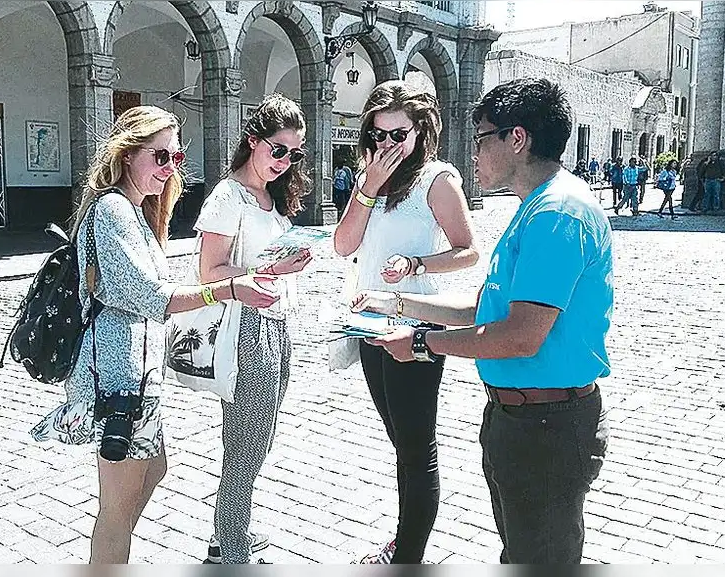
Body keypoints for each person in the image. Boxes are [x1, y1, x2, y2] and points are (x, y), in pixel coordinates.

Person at [356, 78, 611, 564]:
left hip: (547, 425)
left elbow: (519, 336)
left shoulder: (557, 215)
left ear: (517, 139)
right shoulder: (536, 208)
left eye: (480, 138)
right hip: (521, 418)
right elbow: (486, 309)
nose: (472, 152)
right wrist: (398, 304)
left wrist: (425, 344)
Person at [29, 106, 280, 564]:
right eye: (159, 156)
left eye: (176, 157)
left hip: (135, 374)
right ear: (127, 155)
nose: (169, 168)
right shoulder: (113, 209)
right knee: (116, 507)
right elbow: (148, 296)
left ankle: (109, 556)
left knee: (153, 471)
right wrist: (227, 289)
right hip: (116, 378)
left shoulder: (134, 210)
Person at [333, 80, 479, 564]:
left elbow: (467, 251)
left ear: (421, 130)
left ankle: (408, 555)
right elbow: (344, 245)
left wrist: (418, 265)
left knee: (416, 449)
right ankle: (407, 539)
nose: (387, 146)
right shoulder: (369, 178)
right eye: (377, 135)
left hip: (414, 323)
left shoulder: (437, 179)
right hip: (370, 323)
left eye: (398, 134)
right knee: (400, 441)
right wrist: (368, 189)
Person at [195, 93, 314, 565]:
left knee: (257, 442)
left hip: (274, 322)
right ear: (252, 142)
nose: (285, 161)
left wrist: (290, 264)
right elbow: (209, 272)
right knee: (244, 447)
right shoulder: (228, 196)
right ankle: (233, 553)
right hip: (244, 328)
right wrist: (270, 271)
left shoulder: (271, 195)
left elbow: (264, 264)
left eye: (295, 153)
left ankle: (227, 536)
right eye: (278, 149)